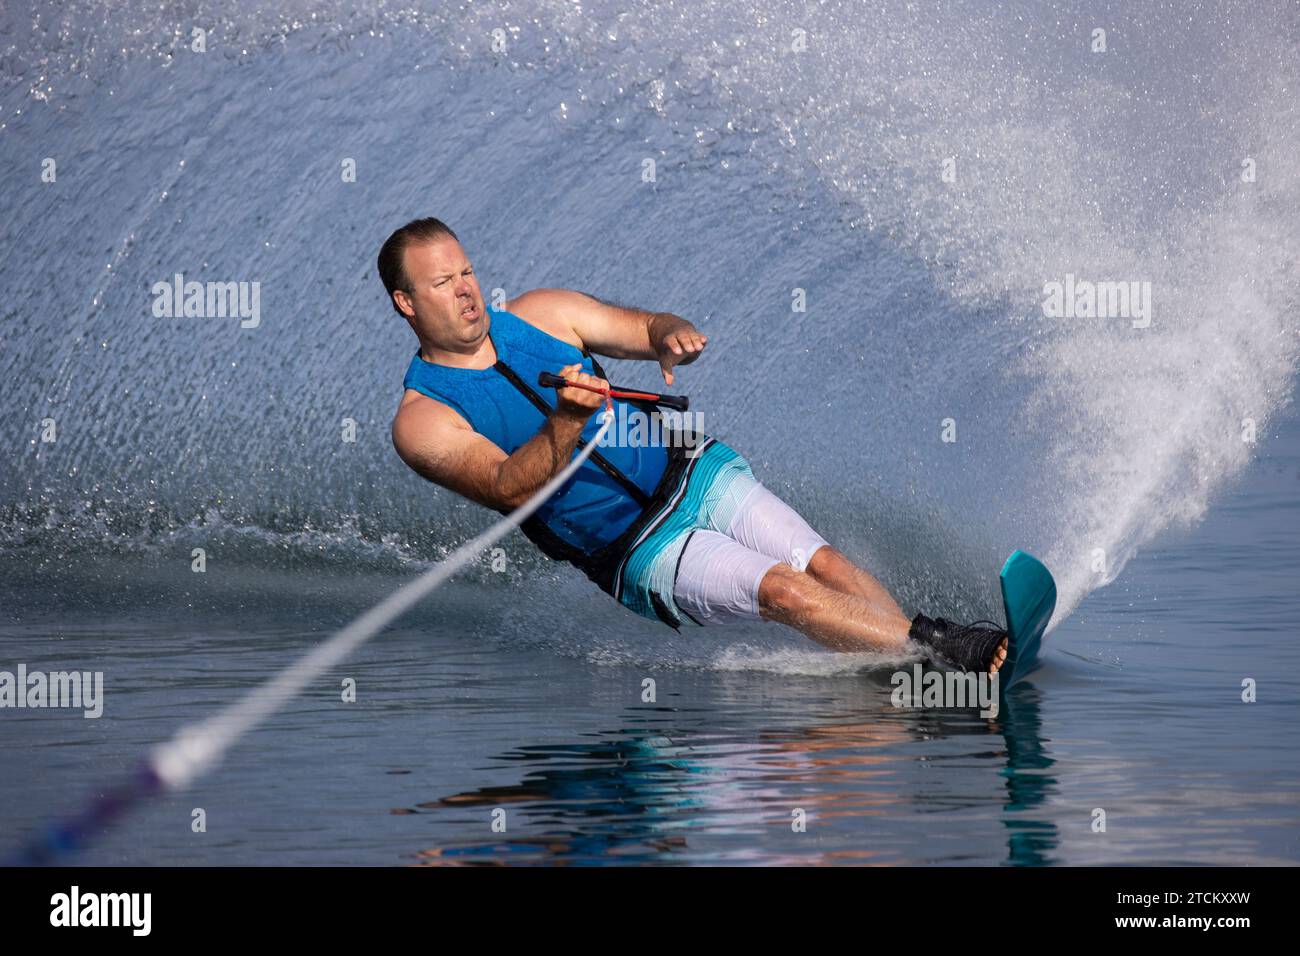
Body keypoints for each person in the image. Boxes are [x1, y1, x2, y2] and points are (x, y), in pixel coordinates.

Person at [382, 218, 1007, 675]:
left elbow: (642, 328)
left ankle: (918, 678)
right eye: (443, 282)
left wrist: (669, 334)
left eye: (467, 271)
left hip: (693, 466)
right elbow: (507, 487)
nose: (467, 291)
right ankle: (953, 648)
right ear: (407, 302)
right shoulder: (423, 420)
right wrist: (566, 422)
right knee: (782, 592)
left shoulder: (542, 313)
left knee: (826, 569)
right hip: (637, 546)